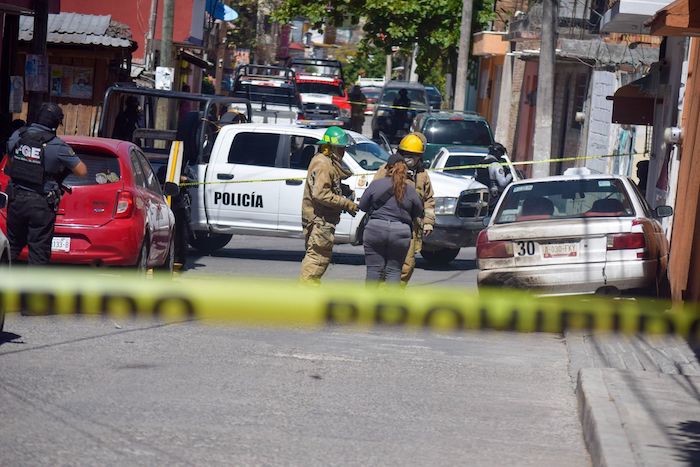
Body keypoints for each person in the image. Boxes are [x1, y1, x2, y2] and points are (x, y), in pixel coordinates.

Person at [5, 102, 87, 265]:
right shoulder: (57, 146)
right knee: (38, 252)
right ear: (56, 123)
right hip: (40, 204)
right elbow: (82, 171)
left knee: (11, 248)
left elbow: (10, 159)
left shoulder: (18, 136)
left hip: (16, 200)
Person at [373, 132, 435, 285]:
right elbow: (374, 192)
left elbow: (428, 200)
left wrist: (428, 222)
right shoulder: (387, 170)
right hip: (388, 224)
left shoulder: (422, 175)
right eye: (406, 154)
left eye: (414, 155)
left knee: (407, 265)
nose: (410, 159)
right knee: (384, 264)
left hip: (411, 227)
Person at [300, 126, 359, 284]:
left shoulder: (324, 161)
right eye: (340, 149)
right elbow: (321, 194)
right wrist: (345, 203)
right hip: (320, 221)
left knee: (318, 258)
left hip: (320, 220)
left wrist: (343, 191)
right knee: (317, 260)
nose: (343, 153)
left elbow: (327, 186)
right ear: (329, 147)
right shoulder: (323, 164)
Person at [360, 152, 423, 283]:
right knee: (394, 271)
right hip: (400, 233)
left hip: (375, 230)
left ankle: (369, 302)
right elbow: (418, 211)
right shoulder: (410, 189)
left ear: (387, 168)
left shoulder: (376, 185)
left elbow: (363, 206)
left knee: (374, 270)